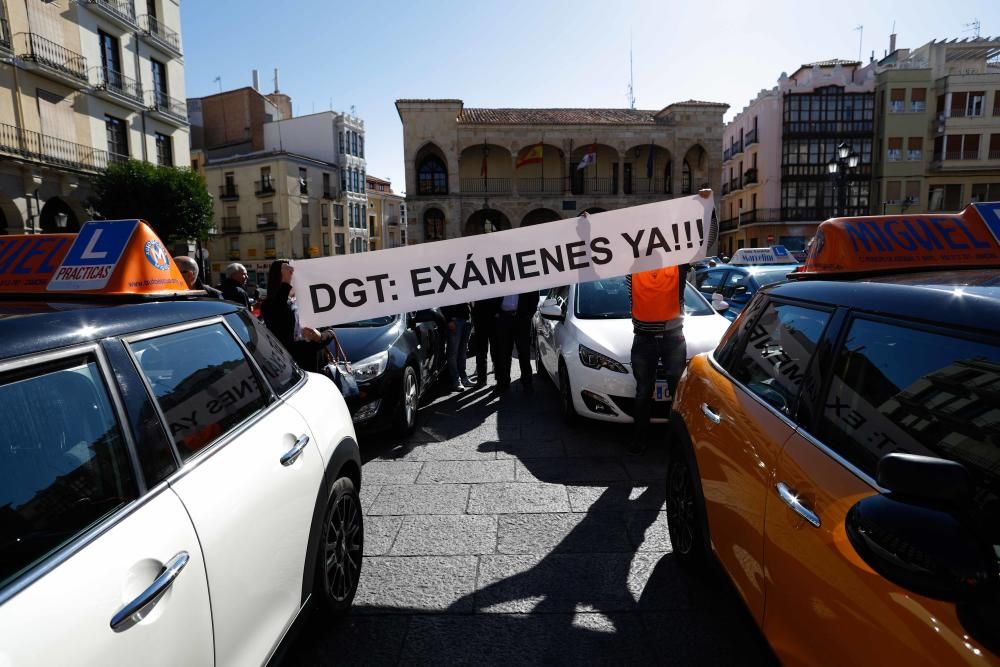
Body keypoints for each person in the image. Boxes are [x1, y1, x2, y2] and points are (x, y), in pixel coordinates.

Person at [627, 263, 689, 454]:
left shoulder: (633, 272)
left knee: (644, 391)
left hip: (647, 337)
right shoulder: (678, 268)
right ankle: (678, 442)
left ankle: (640, 441)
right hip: (672, 337)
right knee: (676, 393)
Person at [260, 259, 334, 373]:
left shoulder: (310, 300)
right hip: (294, 370)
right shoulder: (269, 305)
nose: (293, 277)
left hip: (319, 368)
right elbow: (277, 313)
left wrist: (319, 337)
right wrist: (286, 283)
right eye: (289, 273)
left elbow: (330, 331)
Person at [494, 289, 537, 394]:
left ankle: (527, 383)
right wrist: (496, 312)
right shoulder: (501, 275)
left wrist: (528, 314)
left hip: (522, 318)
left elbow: (534, 296)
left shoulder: (525, 278)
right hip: (503, 318)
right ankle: (503, 383)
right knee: (503, 352)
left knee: (524, 352)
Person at [441, 301, 473, 392]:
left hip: (467, 319)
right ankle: (456, 381)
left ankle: (464, 378)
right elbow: (441, 300)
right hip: (455, 320)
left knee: (462, 352)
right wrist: (449, 320)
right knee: (453, 353)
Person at [471, 297, 501, 388]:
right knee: (481, 352)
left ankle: (498, 379)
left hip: (493, 319)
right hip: (480, 319)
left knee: (495, 351)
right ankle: (481, 380)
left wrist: (498, 311)